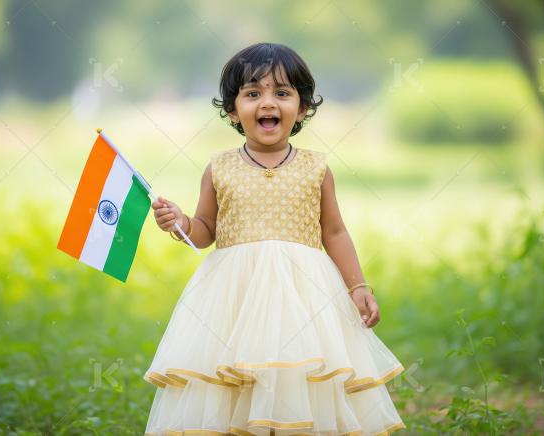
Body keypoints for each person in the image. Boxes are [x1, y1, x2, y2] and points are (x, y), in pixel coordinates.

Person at [143, 42, 406, 435]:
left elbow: (334, 231)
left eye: (282, 93)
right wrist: (180, 221)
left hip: (306, 298)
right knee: (234, 379)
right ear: (233, 110)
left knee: (299, 377)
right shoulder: (220, 167)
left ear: (301, 109)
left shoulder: (316, 168)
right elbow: (204, 231)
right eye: (253, 94)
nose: (268, 102)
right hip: (234, 299)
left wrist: (358, 285)